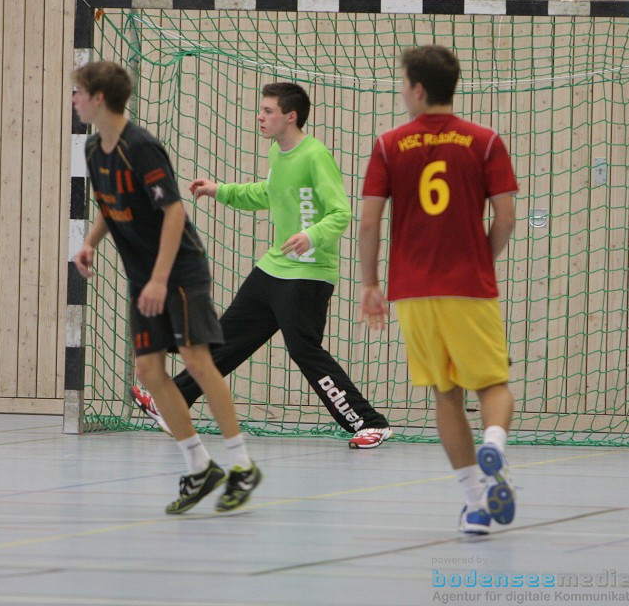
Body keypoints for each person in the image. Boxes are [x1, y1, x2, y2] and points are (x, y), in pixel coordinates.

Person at [130, 83, 393, 449]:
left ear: (291, 116)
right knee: (226, 340)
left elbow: (340, 212)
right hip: (273, 267)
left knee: (304, 349)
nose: (260, 116)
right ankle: (170, 401)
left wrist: (311, 235)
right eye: (261, 109)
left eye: (268, 110)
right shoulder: (277, 153)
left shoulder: (315, 155)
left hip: (308, 272)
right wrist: (220, 190)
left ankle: (369, 423)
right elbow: (268, 194)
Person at [72, 61, 261, 515]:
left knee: (196, 360)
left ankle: (242, 465)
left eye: (78, 91)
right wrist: (91, 244)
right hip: (144, 276)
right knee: (149, 372)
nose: (74, 99)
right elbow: (108, 201)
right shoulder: (95, 148)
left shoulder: (142, 147)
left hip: (177, 272)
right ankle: (199, 467)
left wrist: (159, 278)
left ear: (99, 98)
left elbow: (174, 212)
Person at [357, 45, 519, 535]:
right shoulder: (486, 141)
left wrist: (370, 283)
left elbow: (368, 224)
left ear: (419, 88)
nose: (400, 90)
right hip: (469, 286)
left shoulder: (388, 144)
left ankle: (475, 506)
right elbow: (507, 218)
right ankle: (494, 441)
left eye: (402, 82)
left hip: (413, 292)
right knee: (493, 384)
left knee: (445, 394)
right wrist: (479, 263)